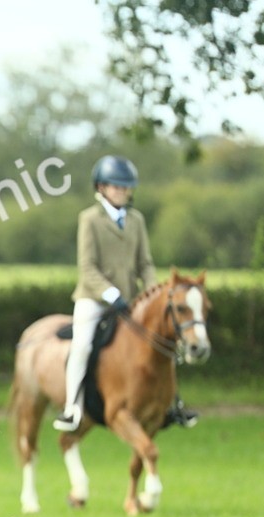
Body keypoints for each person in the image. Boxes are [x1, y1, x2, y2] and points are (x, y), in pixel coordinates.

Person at [54, 155, 157, 432]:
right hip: (94, 299)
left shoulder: (136, 219)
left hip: (131, 300)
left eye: (125, 187)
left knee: (161, 339)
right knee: (83, 345)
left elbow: (145, 264)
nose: (121, 191)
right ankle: (72, 408)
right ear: (101, 188)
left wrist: (151, 294)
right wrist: (111, 294)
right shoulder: (89, 219)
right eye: (115, 186)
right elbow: (87, 267)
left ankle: (169, 404)